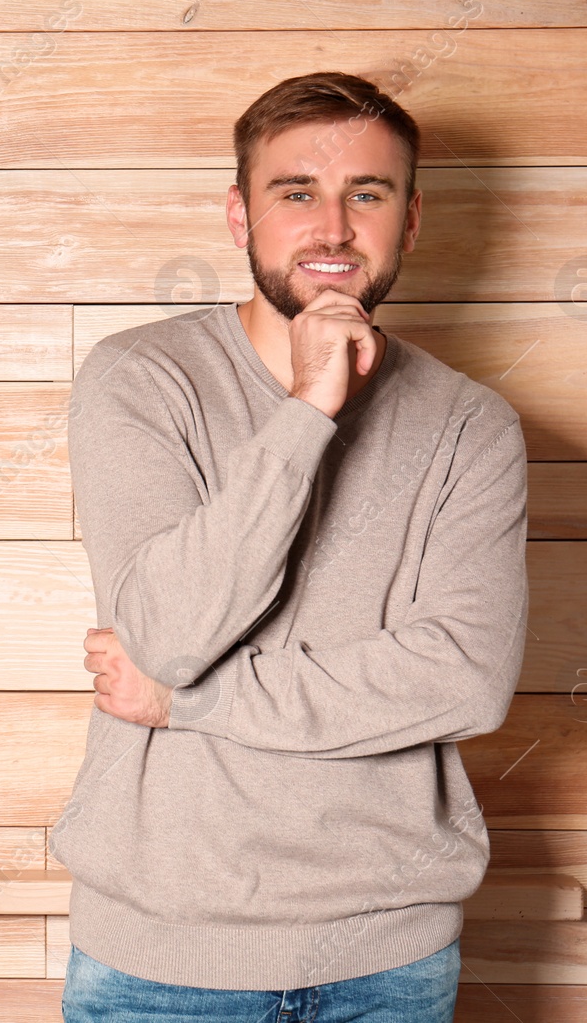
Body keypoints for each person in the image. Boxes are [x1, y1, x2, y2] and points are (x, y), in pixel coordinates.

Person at [53, 71, 530, 1022]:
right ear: (240, 216)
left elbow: (463, 681)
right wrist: (311, 408)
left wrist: (193, 699)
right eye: (296, 192)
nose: (334, 228)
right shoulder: (141, 382)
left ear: (411, 219)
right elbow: (167, 628)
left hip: (389, 957)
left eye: (368, 193)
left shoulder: (473, 428)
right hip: (162, 960)